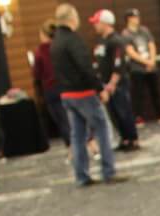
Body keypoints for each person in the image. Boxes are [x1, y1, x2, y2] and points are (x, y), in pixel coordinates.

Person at [51, 3, 126, 187]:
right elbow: (85, 67)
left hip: (67, 94)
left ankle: (81, 175)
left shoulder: (55, 42)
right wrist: (100, 89)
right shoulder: (73, 40)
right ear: (72, 18)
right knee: (102, 128)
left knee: (77, 135)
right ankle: (108, 171)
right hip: (83, 93)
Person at [90, 8, 139, 151]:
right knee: (114, 114)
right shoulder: (101, 41)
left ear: (105, 23)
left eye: (97, 22)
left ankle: (132, 139)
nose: (95, 25)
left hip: (118, 84)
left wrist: (112, 83)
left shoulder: (116, 40)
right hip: (105, 84)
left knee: (124, 111)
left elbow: (119, 64)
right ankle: (124, 138)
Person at [122, 9, 160, 123]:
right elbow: (130, 52)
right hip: (137, 68)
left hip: (151, 66)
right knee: (138, 93)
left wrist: (152, 60)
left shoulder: (144, 30)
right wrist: (145, 62)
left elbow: (151, 45)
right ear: (129, 19)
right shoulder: (126, 34)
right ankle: (138, 116)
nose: (137, 19)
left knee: (155, 91)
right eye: (134, 17)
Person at [33, 19, 68, 146]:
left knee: (61, 120)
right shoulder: (61, 47)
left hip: (51, 90)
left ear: (43, 35)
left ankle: (71, 147)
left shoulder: (40, 51)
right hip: (65, 87)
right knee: (69, 118)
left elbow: (37, 73)